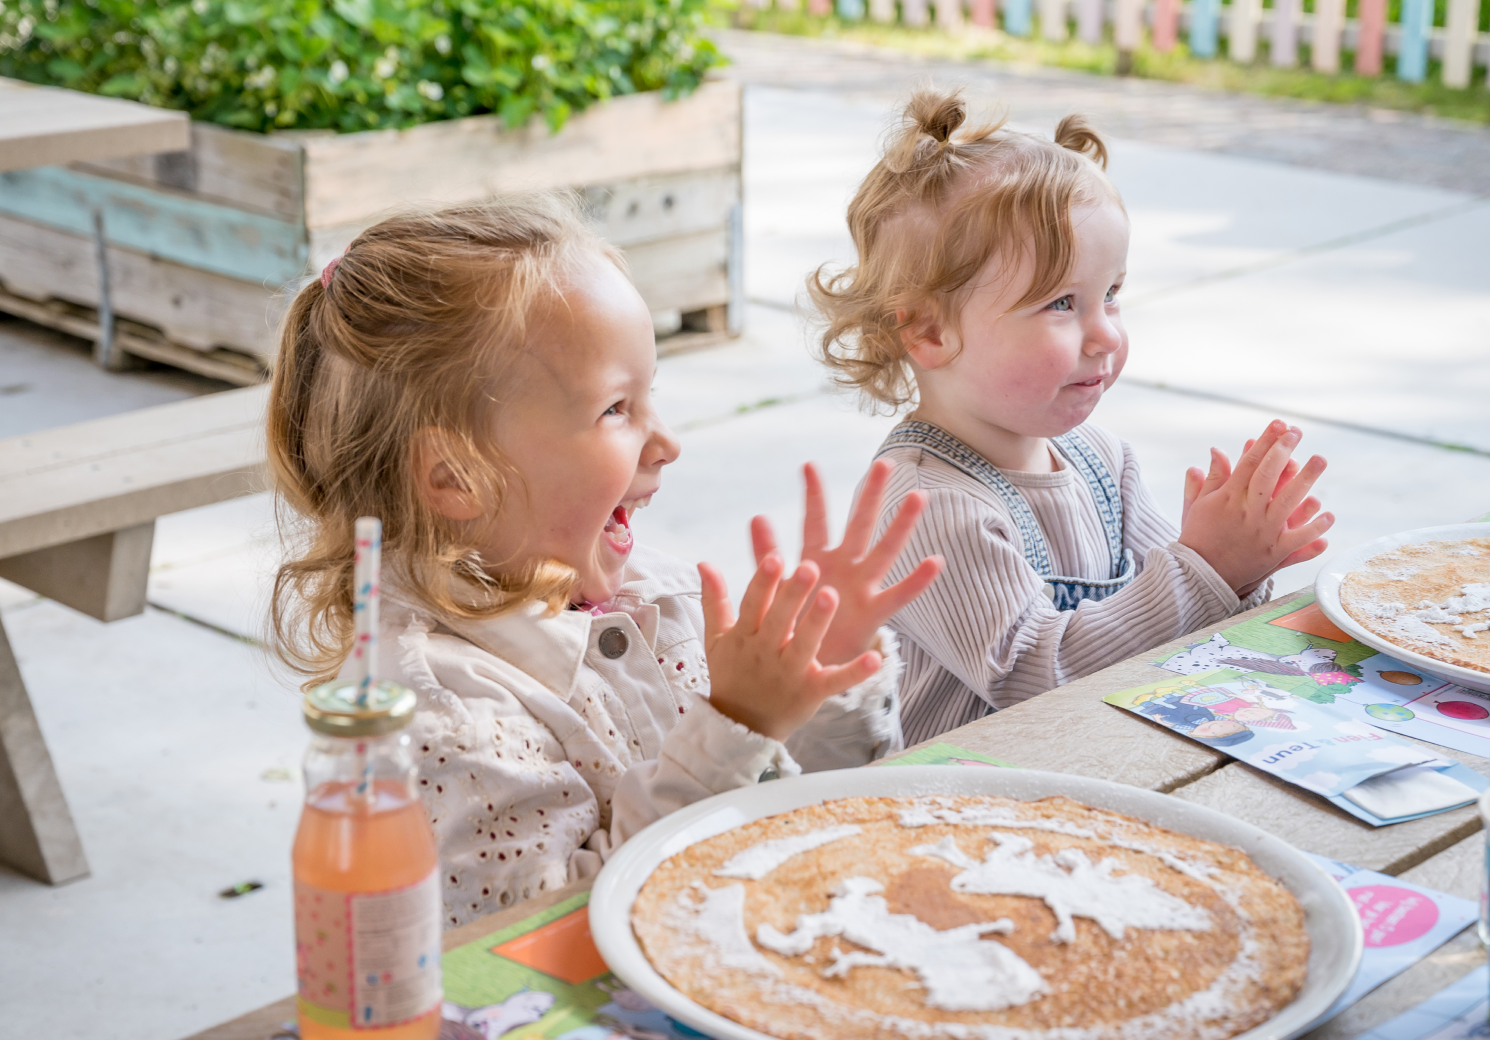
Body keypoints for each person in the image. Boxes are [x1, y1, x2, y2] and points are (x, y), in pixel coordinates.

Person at [267, 196, 942, 926]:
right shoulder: (442, 710)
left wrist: (819, 678)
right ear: (457, 477)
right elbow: (547, 933)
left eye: (651, 395)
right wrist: (735, 724)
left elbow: (807, 811)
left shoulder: (660, 596)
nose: (668, 443)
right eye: (616, 409)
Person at [809, 89, 1335, 744]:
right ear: (929, 331)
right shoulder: (928, 503)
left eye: (1111, 294)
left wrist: (1239, 568)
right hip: (968, 787)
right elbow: (1037, 676)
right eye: (1061, 303)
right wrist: (1207, 566)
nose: (1106, 334)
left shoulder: (1104, 461)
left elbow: (1173, 629)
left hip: (1085, 762)